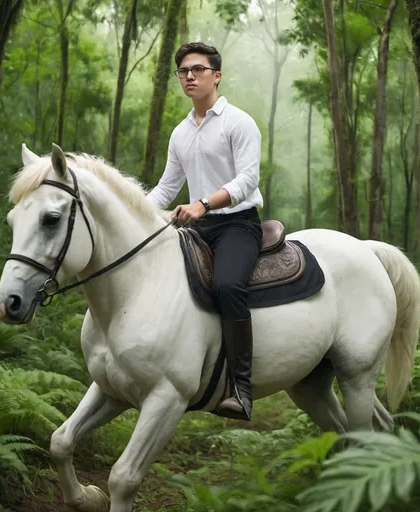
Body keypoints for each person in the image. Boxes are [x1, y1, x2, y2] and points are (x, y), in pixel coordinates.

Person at [147, 41, 264, 421]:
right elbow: (166, 188)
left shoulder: (239, 122)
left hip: (237, 225)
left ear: (216, 75)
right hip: (197, 228)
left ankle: (241, 389)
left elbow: (248, 180)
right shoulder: (180, 133)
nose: (190, 76)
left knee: (228, 286)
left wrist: (203, 204)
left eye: (198, 69)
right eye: (183, 71)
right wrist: (134, 215)